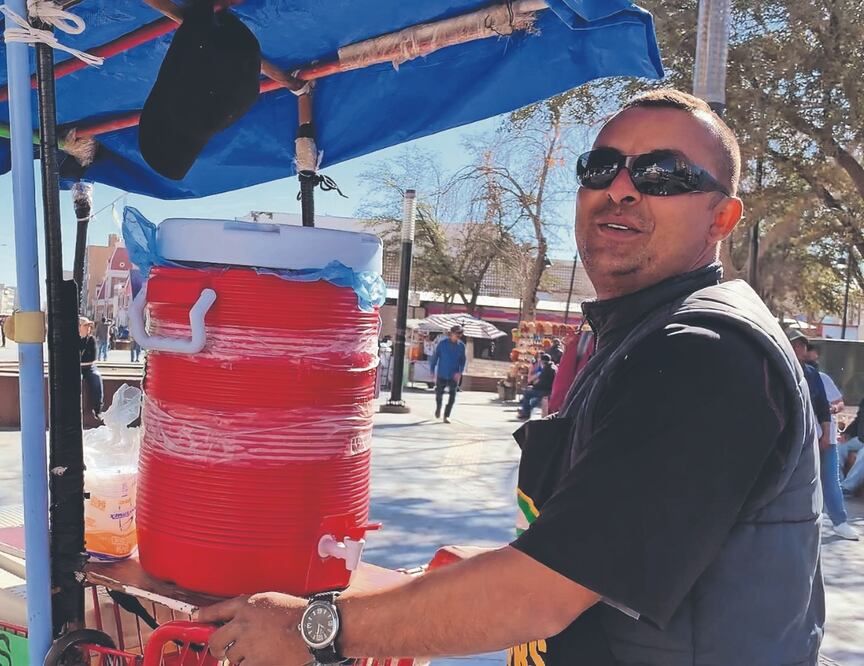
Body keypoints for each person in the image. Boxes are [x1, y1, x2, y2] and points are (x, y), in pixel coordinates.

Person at [198, 90, 825, 666]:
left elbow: (543, 592)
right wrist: (435, 584)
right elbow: (599, 549)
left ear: (723, 218)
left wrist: (313, 629)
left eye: (663, 174)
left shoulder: (703, 353)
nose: (623, 188)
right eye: (601, 167)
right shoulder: (636, 336)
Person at [790, 331, 857, 540]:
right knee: (795, 482)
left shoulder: (814, 375)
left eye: (802, 346)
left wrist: (827, 435)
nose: (799, 349)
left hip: (820, 436)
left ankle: (840, 522)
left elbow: (825, 406)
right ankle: (796, 524)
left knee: (830, 480)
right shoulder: (781, 371)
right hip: (795, 438)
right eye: (794, 345)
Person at [428, 325, 467, 423]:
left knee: (452, 396)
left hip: (453, 375)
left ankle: (446, 415)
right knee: (439, 394)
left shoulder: (461, 346)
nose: (458, 336)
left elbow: (463, 361)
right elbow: (435, 357)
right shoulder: (442, 344)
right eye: (457, 333)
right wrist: (432, 370)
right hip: (442, 373)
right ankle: (438, 408)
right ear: (452, 333)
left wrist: (460, 372)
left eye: (460, 334)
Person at [517, 353, 556, 420]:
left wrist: (533, 387)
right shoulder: (552, 367)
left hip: (546, 390)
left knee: (527, 393)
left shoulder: (547, 369)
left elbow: (542, 383)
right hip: (549, 389)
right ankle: (525, 410)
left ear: (542, 361)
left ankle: (525, 413)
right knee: (535, 396)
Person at [80, 316, 105, 419]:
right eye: (85, 326)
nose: (88, 328)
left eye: (89, 326)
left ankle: (97, 410)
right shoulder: (72, 339)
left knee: (96, 378)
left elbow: (92, 358)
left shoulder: (91, 340)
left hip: (89, 368)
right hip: (76, 368)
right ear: (79, 327)